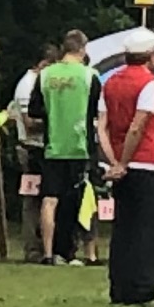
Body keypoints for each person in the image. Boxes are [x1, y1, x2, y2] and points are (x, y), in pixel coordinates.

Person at [96, 35, 154, 307]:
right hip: (145, 161)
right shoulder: (149, 83)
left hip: (118, 162)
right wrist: (124, 162)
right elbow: (137, 127)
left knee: (123, 228)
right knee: (147, 229)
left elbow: (101, 126)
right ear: (150, 55)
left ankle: (119, 287)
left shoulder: (111, 81)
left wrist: (113, 160)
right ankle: (142, 289)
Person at [27, 32, 96, 264]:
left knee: (49, 199)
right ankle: (69, 251)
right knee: (76, 200)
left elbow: (34, 110)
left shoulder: (46, 74)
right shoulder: (89, 75)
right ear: (82, 49)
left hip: (52, 145)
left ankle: (48, 253)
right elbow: (96, 111)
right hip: (79, 145)